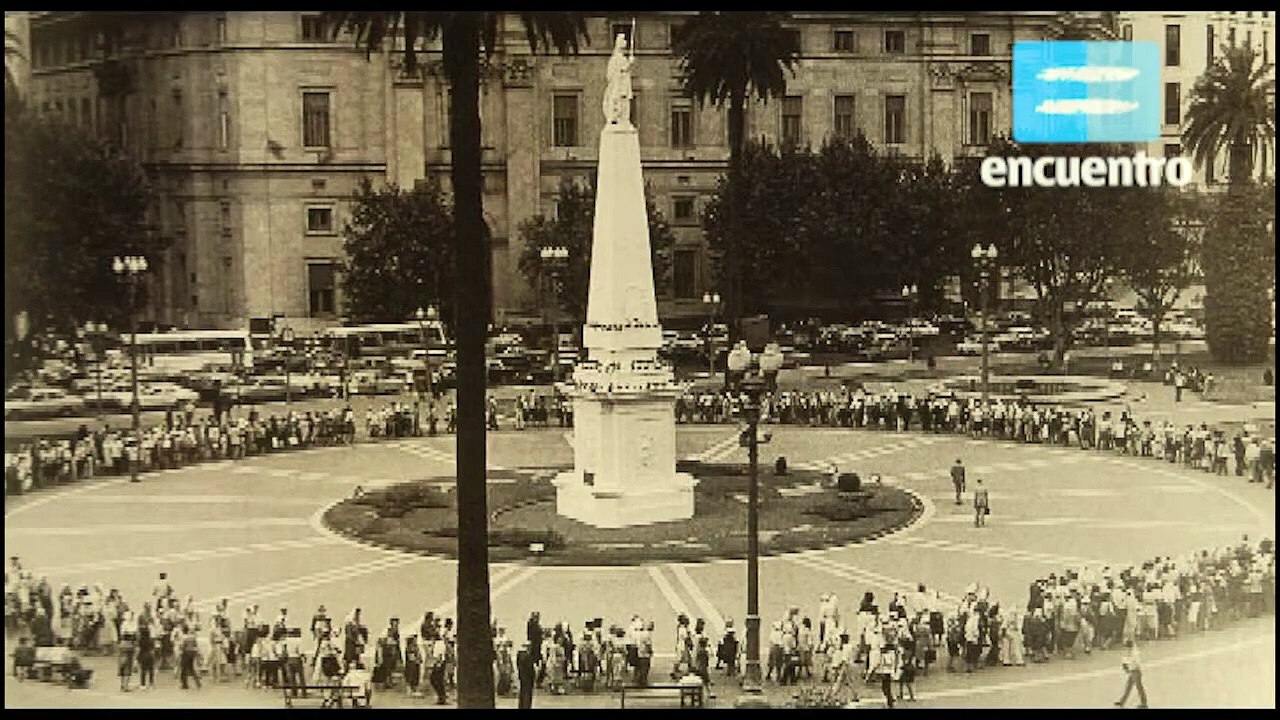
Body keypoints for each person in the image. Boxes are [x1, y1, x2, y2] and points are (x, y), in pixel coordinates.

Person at [1115, 639, 1148, 708]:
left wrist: (1128, 667)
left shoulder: (1134, 653)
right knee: (1129, 687)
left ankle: (1144, 703)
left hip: (1135, 671)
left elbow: (1136, 663)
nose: (1127, 648)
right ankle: (1122, 701)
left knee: (1139, 688)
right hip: (1133, 671)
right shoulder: (1131, 651)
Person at [517, 642, 537, 709]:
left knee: (522, 692)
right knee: (527, 694)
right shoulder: (528, 656)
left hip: (522, 677)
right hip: (528, 678)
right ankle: (526, 706)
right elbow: (530, 668)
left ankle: (521, 706)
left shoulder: (520, 655)